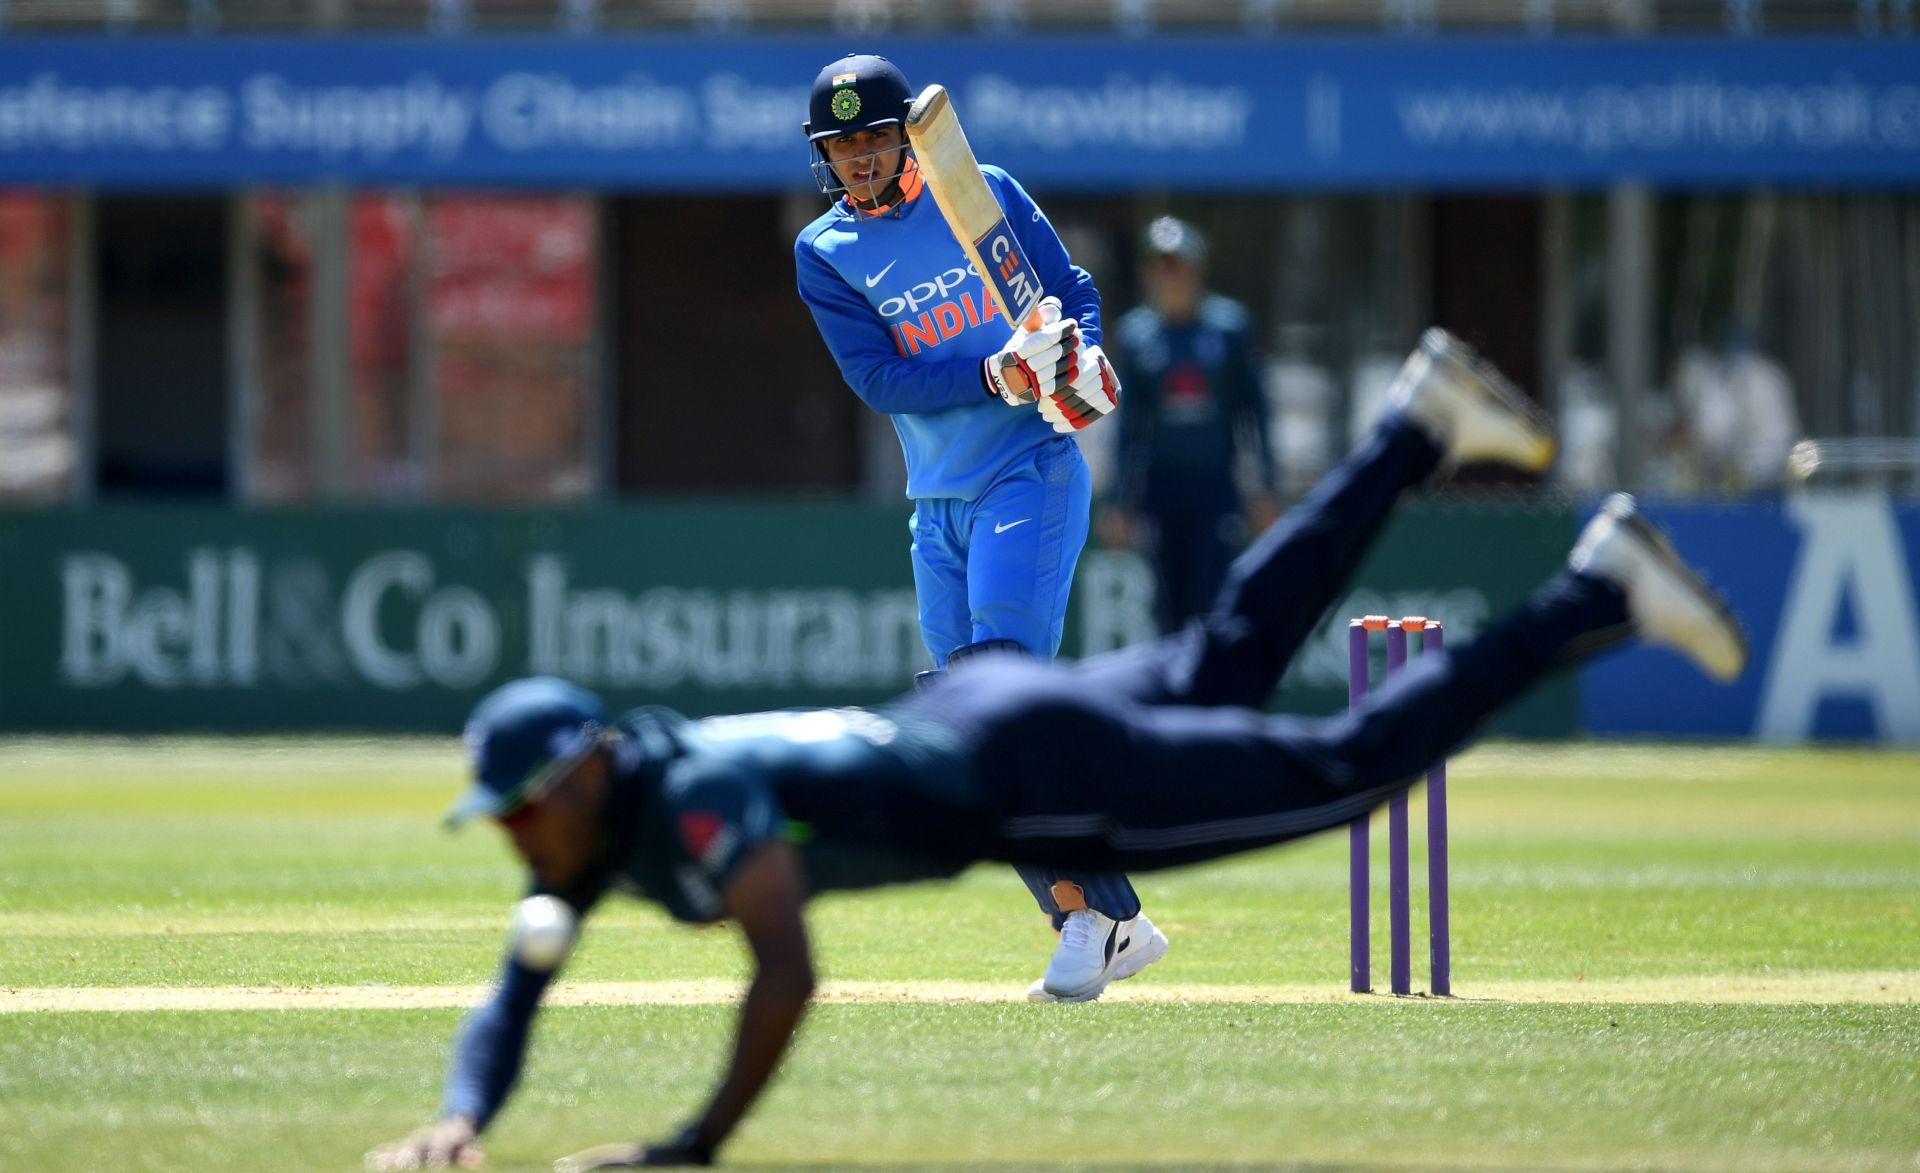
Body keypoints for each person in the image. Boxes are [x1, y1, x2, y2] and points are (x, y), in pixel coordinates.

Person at [365, 330, 1748, 1171]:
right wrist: (463, 1112)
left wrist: (695, 1146)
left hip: (1019, 784)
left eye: (520, 811)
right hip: (976, 714)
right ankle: (1417, 424)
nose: (514, 840)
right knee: (1226, 657)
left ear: (587, 772)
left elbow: (784, 970)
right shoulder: (611, 811)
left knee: (1341, 770)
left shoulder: (700, 797)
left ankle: (1597, 591)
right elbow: (516, 981)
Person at [788, 52, 1159, 1004]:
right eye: (843, 146)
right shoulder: (823, 251)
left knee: (1001, 680)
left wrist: (1078, 354)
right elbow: (879, 379)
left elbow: (1070, 291)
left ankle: (1093, 919)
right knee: (959, 723)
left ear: (908, 137)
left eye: (873, 137)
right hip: (938, 498)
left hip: (1029, 469)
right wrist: (994, 370)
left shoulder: (980, 193)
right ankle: (1104, 911)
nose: (860, 159)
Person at [1105, 216, 1279, 630]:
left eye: (1177, 266)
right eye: (1160, 267)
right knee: (1168, 604)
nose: (1171, 278)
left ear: (1196, 269)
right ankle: (1175, 692)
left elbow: (1254, 411)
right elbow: (1129, 426)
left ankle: (1210, 691)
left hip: (1215, 483)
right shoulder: (1137, 335)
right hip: (1162, 487)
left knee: (1212, 600)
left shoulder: (1230, 328)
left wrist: (1265, 487)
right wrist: (1119, 502)